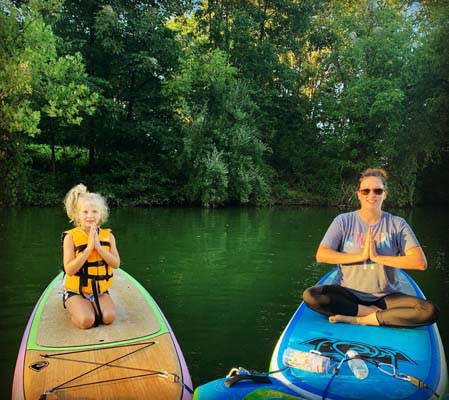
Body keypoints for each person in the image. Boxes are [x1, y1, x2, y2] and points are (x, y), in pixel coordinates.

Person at [303, 168, 439, 327]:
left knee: (428, 311)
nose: (371, 195)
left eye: (377, 190)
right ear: (359, 194)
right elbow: (322, 255)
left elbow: (419, 262)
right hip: (347, 293)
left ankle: (358, 318)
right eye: (366, 191)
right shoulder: (343, 221)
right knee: (312, 296)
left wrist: (377, 258)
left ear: (385, 194)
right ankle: (376, 315)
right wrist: (361, 256)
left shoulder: (397, 224)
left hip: (386, 297)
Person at [62, 184, 120, 329]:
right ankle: (73, 304)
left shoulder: (108, 236)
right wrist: (88, 249)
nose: (90, 216)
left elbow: (116, 264)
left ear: (101, 214)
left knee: (108, 318)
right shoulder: (70, 237)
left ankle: (91, 304)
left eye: (94, 211)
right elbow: (69, 270)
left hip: (99, 291)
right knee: (87, 321)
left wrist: (99, 248)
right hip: (75, 291)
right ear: (77, 214)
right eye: (85, 212)